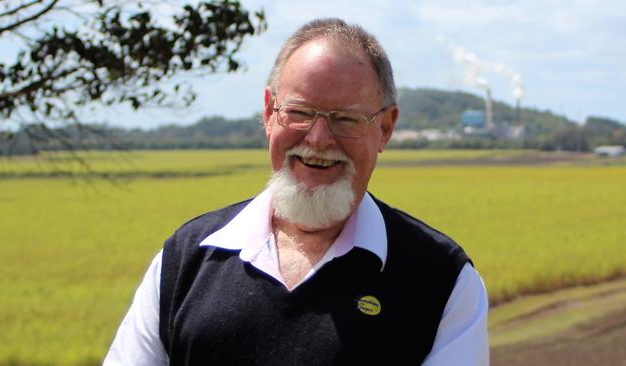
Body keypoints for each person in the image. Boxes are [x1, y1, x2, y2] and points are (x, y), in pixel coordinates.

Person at [104, 18, 488, 365]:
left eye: (345, 119)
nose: (319, 139)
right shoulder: (185, 259)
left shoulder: (444, 280)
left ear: (385, 129)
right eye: (300, 113)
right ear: (270, 113)